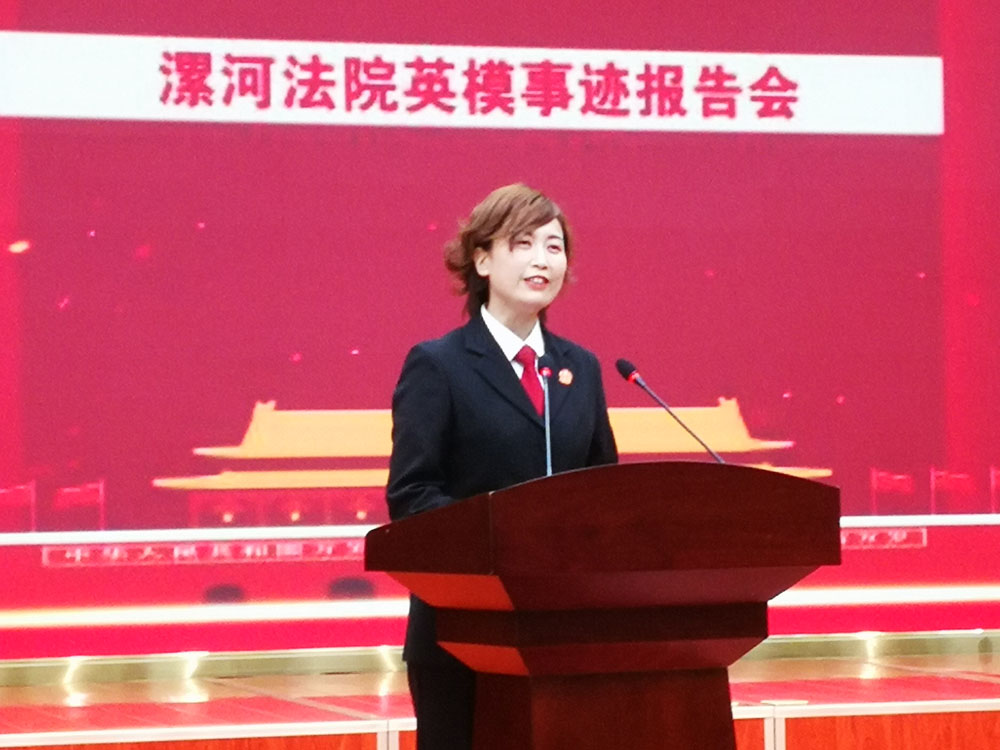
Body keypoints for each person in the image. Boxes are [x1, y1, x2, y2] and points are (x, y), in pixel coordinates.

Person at [386, 183, 618, 750]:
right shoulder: (439, 365)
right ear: (482, 260)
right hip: (463, 636)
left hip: (562, 632)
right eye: (523, 243)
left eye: (554, 246)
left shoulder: (580, 368)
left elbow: (605, 489)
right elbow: (412, 495)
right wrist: (502, 538)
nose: (543, 260)